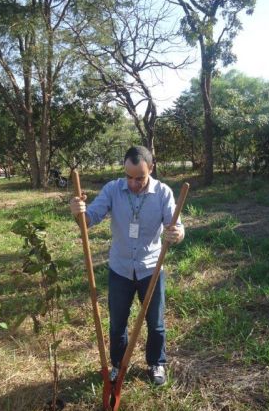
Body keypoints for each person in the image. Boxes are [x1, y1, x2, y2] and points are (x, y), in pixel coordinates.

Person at [70, 146, 185, 385]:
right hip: (120, 268)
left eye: (140, 177)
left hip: (151, 268)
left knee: (156, 322)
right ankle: (117, 365)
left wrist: (176, 234)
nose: (133, 183)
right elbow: (90, 218)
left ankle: (156, 364)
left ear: (151, 169)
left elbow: (176, 225)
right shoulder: (113, 189)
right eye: (129, 177)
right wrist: (79, 212)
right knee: (117, 322)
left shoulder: (163, 193)